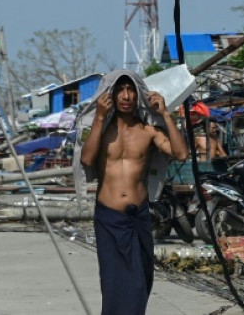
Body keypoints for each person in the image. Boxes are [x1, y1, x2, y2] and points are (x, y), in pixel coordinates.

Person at [79, 70, 188, 315]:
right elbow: (87, 159)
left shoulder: (148, 131)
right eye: (121, 89)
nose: (126, 95)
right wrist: (98, 118)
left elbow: (180, 153)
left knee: (140, 281)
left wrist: (165, 115)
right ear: (111, 94)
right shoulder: (102, 130)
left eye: (131, 89)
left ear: (138, 94)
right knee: (113, 282)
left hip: (138, 216)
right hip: (109, 218)